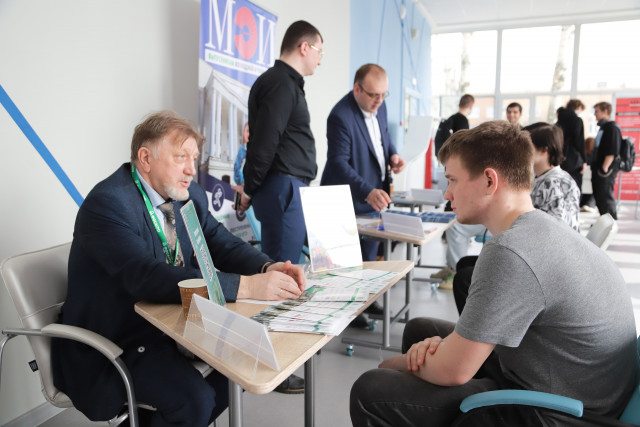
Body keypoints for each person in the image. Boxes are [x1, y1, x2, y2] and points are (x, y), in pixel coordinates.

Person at [350, 121, 636, 427]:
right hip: (572, 383)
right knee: (419, 330)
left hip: (563, 412)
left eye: (453, 180)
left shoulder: (511, 251)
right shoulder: (540, 229)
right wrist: (437, 353)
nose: (447, 192)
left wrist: (391, 365)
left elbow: (453, 371)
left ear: (489, 181)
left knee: (371, 391)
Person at [51, 111, 306, 426]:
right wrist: (247, 286)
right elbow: (146, 276)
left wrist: (267, 266)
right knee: (195, 401)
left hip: (172, 324)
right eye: (180, 157)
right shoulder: (108, 204)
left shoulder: (187, 194)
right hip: (120, 341)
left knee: (244, 364)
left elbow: (219, 241)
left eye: (194, 158)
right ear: (146, 158)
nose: (191, 169)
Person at [453, 122, 581, 315]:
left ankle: (485, 329)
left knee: (465, 277)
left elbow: (552, 233)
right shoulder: (547, 179)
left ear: (545, 150)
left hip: (546, 266)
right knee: (466, 264)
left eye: (528, 146)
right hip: (540, 255)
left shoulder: (553, 183)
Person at [320, 63, 405, 327]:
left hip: (373, 194)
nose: (379, 101)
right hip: (346, 196)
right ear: (357, 89)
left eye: (383, 95)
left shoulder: (380, 106)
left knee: (369, 255)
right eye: (373, 95)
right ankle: (349, 311)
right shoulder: (340, 116)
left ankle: (366, 301)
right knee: (345, 263)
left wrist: (393, 154)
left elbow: (383, 137)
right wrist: (366, 191)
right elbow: (338, 163)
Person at [239, 20, 323, 264]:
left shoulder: (285, 83)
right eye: (319, 52)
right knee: (282, 271)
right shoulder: (280, 83)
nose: (320, 61)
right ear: (304, 47)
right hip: (283, 188)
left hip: (287, 188)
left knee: (284, 267)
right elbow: (265, 142)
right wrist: (249, 189)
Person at [431, 94, 481, 286]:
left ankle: (455, 271)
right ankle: (453, 268)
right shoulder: (460, 122)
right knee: (455, 223)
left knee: (456, 224)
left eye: (453, 180)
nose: (447, 193)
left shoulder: (452, 119)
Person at [592, 101, 622, 219]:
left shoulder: (612, 128)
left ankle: (611, 222)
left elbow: (612, 150)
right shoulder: (603, 128)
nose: (595, 114)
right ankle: (604, 221)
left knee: (605, 196)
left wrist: (604, 169)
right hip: (599, 169)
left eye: (597, 111)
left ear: (605, 111)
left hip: (605, 171)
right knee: (600, 196)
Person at [556, 99, 587, 191]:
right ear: (579, 107)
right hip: (574, 160)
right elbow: (579, 142)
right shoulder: (577, 121)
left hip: (560, 158)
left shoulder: (559, 121)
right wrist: (585, 160)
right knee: (574, 187)